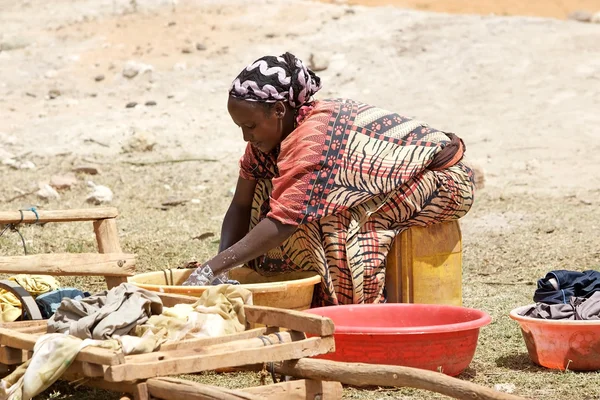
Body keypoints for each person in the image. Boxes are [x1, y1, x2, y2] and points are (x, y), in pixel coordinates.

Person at [183, 52, 475, 306]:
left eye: (250, 126)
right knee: (265, 191)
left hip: (443, 180)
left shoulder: (314, 139)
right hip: (395, 183)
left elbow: (284, 223)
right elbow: (242, 203)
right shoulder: (269, 140)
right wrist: (221, 268)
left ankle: (355, 312)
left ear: (279, 110)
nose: (246, 137)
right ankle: (298, 292)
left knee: (336, 222)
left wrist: (209, 268)